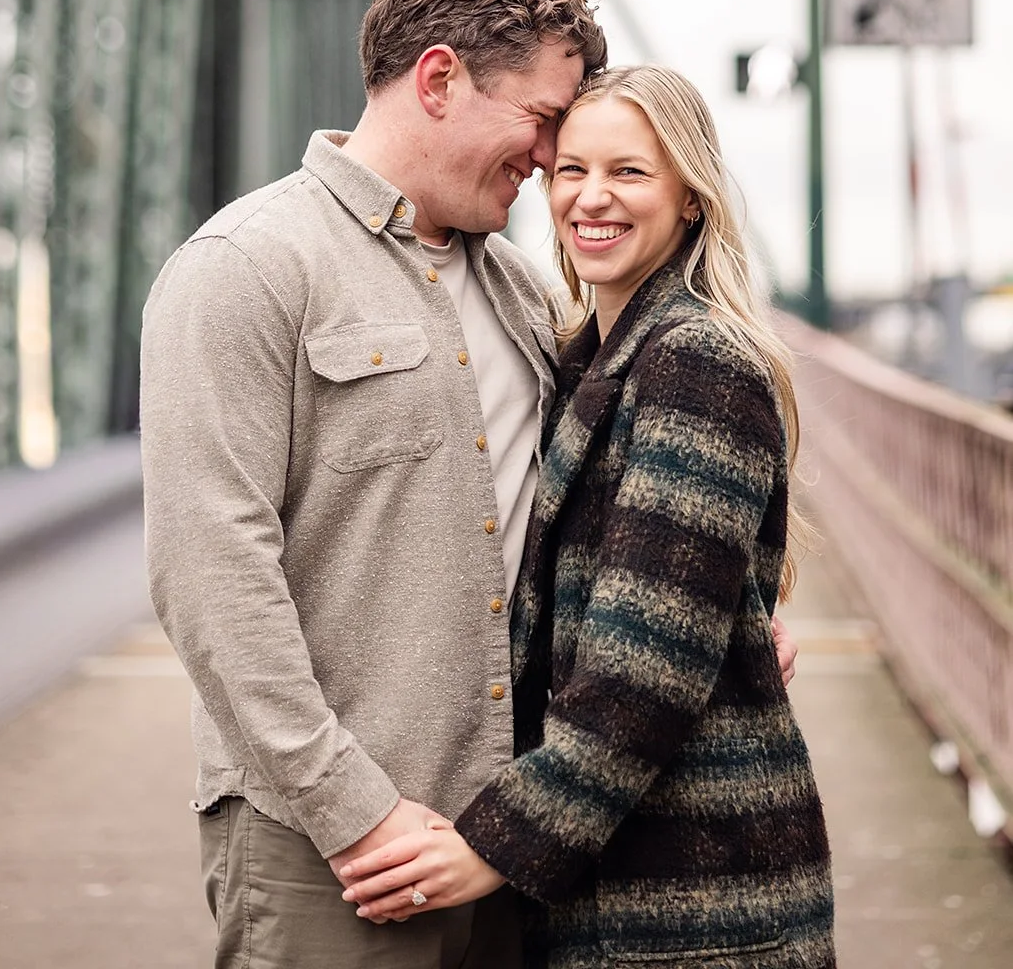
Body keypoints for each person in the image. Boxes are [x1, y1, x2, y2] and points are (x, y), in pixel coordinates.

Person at [140, 0, 607, 969]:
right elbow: (208, 573)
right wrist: (353, 810)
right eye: (540, 119)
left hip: (503, 842)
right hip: (324, 850)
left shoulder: (523, 291)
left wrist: (736, 614)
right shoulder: (244, 269)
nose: (548, 160)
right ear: (439, 79)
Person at [338, 65, 837, 969]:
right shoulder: (584, 357)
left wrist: (493, 846)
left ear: (690, 198)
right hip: (619, 895)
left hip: (695, 901)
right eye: (570, 169)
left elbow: (647, 662)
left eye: (628, 172)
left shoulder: (695, 361)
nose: (590, 197)